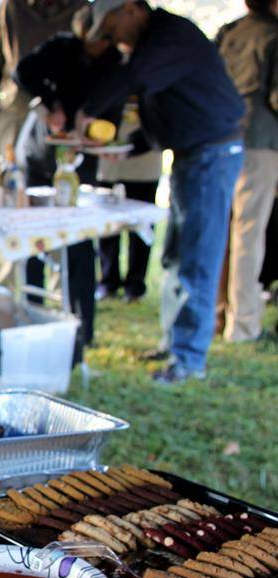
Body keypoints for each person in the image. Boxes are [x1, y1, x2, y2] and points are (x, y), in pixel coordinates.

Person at [78, 0, 245, 384]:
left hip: (212, 153)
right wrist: (130, 146)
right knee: (175, 255)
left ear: (132, 9)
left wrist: (89, 110)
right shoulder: (155, 44)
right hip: (192, 154)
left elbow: (135, 77)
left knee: (198, 257)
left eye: (112, 26)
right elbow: (166, 106)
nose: (112, 36)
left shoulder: (170, 37)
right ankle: (175, 343)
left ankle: (188, 359)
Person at [13, 6, 122, 347]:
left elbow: (116, 103)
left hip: (80, 158)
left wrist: (101, 133)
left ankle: (81, 328)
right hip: (42, 150)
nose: (98, 46)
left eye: (104, 40)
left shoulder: (115, 62)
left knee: (78, 239)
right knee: (34, 235)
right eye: (93, 40)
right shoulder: (60, 48)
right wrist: (48, 102)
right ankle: (32, 315)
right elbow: (22, 72)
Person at [216, 0, 278, 343]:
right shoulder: (274, 34)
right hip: (260, 139)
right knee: (249, 232)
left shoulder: (229, 32)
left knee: (222, 229)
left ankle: (216, 314)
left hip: (223, 135)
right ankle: (243, 325)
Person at [0, 0, 86, 160]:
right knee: (12, 178)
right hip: (16, 113)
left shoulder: (82, 9)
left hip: (64, 122)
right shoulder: (12, 7)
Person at [95, 99, 162, 303]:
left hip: (145, 154)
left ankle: (135, 284)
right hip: (107, 150)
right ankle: (108, 281)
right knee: (106, 224)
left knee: (141, 223)